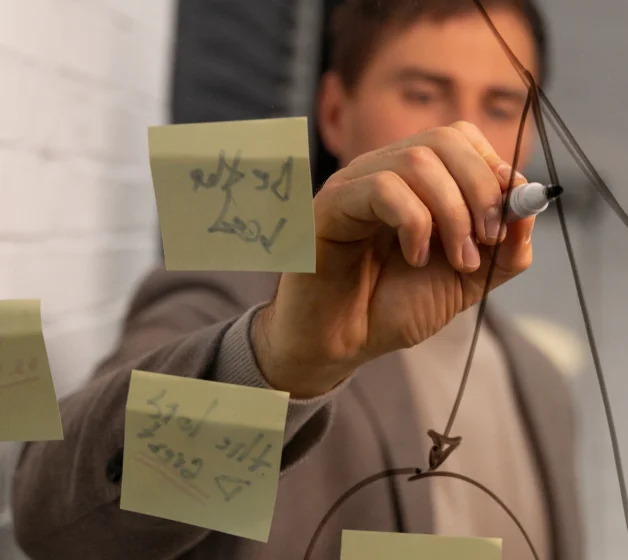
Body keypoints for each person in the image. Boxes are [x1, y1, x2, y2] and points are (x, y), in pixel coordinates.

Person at [12, 0, 583, 559]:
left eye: (502, 107)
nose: (464, 133)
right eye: (422, 94)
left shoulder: (540, 382)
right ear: (334, 112)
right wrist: (283, 364)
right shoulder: (238, 304)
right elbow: (57, 527)